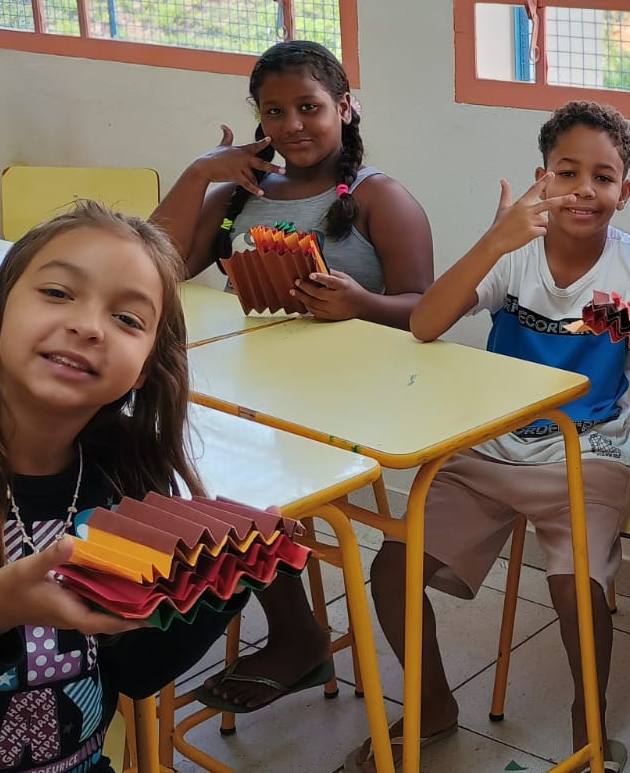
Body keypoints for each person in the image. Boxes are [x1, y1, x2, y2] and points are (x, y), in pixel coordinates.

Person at [344, 100, 630, 773]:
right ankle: (433, 707)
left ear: (624, 192)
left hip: (587, 452)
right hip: (489, 446)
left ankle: (590, 727)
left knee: (577, 590)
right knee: (391, 571)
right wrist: (495, 240)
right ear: (541, 179)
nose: (584, 190)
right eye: (567, 172)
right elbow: (425, 323)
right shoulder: (514, 252)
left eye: (603, 178)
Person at [0, 202, 248, 772]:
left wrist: (226, 581)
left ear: (146, 367)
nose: (89, 326)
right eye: (56, 292)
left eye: (128, 319)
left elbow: (133, 670)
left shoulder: (127, 475)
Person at [150, 40, 434, 712]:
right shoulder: (240, 193)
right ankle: (287, 624)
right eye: (274, 112)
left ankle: (295, 635)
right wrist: (198, 172)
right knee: (169, 462)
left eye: (310, 107)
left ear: (345, 108)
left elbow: (427, 310)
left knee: (231, 483)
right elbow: (157, 265)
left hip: (345, 400)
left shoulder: (380, 197)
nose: (293, 125)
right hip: (251, 392)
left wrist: (362, 305)